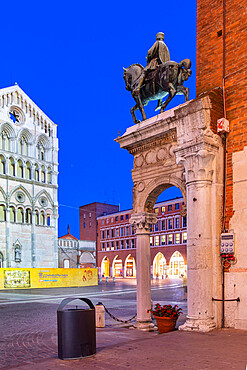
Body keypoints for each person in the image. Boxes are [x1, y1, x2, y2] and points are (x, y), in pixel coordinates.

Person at [133, 32, 170, 98]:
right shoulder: (165, 46)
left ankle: (138, 88)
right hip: (163, 65)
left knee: (144, 72)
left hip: (155, 63)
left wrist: (148, 57)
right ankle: (160, 101)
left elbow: (150, 52)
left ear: (157, 37)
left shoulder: (157, 43)